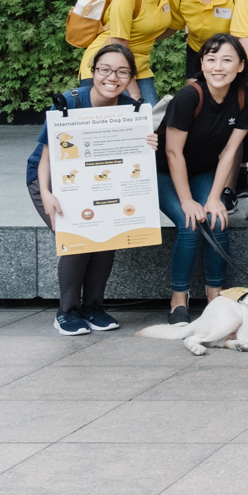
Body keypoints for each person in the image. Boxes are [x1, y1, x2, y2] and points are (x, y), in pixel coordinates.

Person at [27, 41, 158, 335]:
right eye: (105, 70)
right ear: (93, 71)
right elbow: (45, 158)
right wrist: (47, 194)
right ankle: (67, 312)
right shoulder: (68, 102)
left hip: (101, 182)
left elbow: (135, 157)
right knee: (78, 239)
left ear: (131, 78)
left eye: (122, 72)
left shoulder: (132, 109)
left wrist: (150, 144)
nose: (112, 78)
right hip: (51, 180)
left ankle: (93, 307)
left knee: (107, 238)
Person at [158, 33, 248, 323]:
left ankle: (216, 296)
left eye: (227, 60)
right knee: (190, 224)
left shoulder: (245, 96)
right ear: (201, 63)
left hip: (204, 171)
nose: (218, 67)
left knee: (216, 218)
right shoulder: (189, 96)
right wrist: (188, 201)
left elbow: (230, 151)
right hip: (164, 171)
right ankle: (179, 298)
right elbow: (173, 153)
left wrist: (215, 197)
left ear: (240, 66)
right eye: (211, 59)